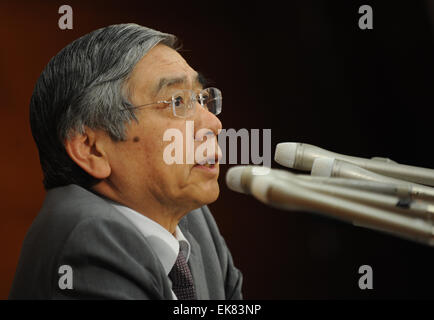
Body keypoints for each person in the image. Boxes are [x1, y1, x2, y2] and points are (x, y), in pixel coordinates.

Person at [9, 23, 243, 300]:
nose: (213, 123)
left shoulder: (195, 222)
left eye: (203, 99)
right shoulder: (89, 239)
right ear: (91, 148)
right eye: (177, 101)